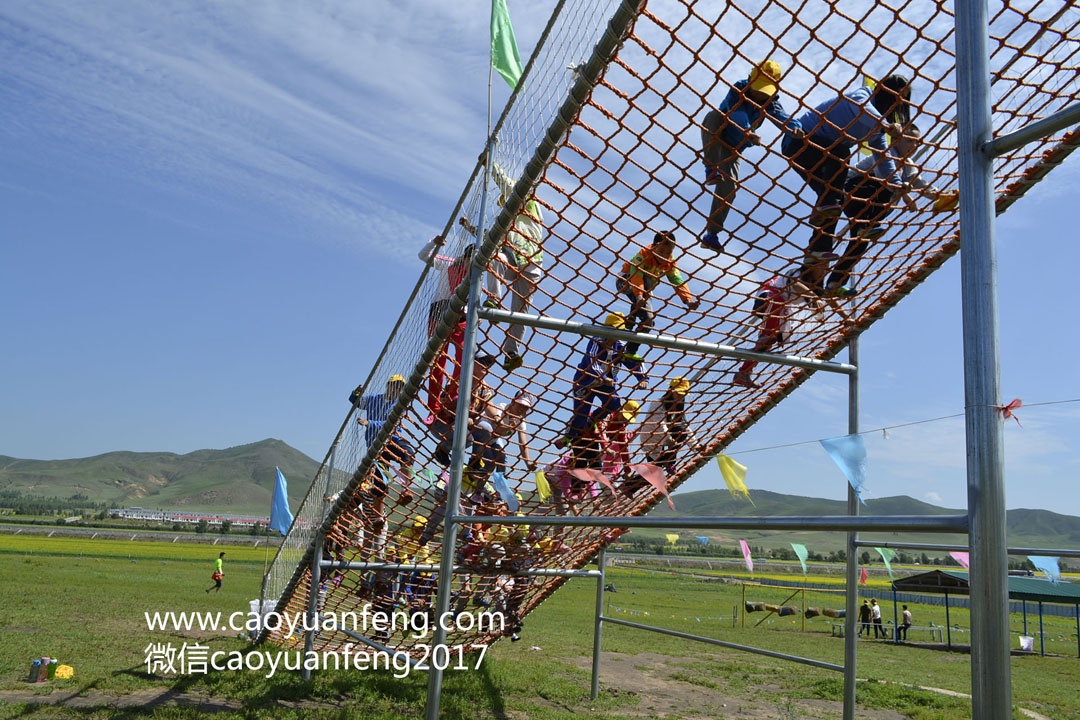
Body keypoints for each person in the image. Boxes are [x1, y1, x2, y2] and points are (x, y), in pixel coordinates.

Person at [781, 75, 912, 287]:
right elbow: (859, 108)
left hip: (817, 156)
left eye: (901, 102)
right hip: (799, 139)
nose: (897, 104)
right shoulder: (862, 96)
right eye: (895, 98)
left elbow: (883, 158)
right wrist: (885, 125)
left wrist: (897, 185)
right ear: (884, 92)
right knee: (841, 155)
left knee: (834, 199)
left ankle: (817, 251)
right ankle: (822, 237)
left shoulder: (876, 129)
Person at [825, 123, 948, 295]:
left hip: (870, 208)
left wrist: (941, 196)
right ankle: (863, 226)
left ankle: (833, 284)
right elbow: (885, 176)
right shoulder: (886, 153)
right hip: (852, 194)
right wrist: (906, 195)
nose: (913, 147)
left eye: (916, 143)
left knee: (859, 244)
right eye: (909, 141)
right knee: (884, 187)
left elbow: (919, 183)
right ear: (896, 140)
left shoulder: (908, 163)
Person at [699, 60, 804, 252]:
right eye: (757, 88)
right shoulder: (739, 89)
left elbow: (782, 117)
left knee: (729, 188)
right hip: (723, 129)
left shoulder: (769, 100)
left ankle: (711, 234)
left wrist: (794, 128)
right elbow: (737, 112)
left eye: (765, 91)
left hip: (735, 146)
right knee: (711, 117)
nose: (759, 94)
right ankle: (711, 168)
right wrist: (747, 131)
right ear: (749, 80)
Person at [463, 158, 545, 372]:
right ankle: (494, 299)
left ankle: (511, 351)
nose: (506, 206)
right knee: (494, 257)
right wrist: (471, 228)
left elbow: (508, 185)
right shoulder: (505, 224)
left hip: (531, 262)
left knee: (521, 311)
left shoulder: (529, 206)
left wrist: (491, 165)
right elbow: (489, 237)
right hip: (510, 258)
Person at [733, 253, 849, 388]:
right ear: (812, 267)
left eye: (827, 269)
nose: (824, 272)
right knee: (776, 306)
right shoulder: (797, 274)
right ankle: (764, 336)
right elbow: (795, 284)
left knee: (773, 339)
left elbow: (830, 301)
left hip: (782, 307)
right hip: (767, 296)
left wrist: (846, 317)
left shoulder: (816, 286)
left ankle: (744, 372)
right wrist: (813, 297)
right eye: (822, 268)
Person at [561, 313, 648, 445]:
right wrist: (602, 376)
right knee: (581, 414)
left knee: (614, 403)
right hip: (586, 382)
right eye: (612, 330)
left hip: (606, 384)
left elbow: (634, 361)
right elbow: (592, 360)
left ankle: (594, 419)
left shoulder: (621, 346)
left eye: (618, 331)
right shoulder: (596, 341)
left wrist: (643, 378)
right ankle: (569, 435)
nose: (615, 335)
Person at [617, 231, 700, 360]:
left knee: (649, 322)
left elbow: (677, 280)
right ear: (654, 247)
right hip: (626, 282)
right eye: (661, 251)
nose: (665, 256)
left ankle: (630, 351)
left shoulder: (670, 263)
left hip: (645, 290)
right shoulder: (643, 254)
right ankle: (632, 315)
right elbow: (637, 275)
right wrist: (639, 295)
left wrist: (688, 300)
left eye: (669, 252)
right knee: (647, 280)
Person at [417, 236, 473, 420]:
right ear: (465, 258)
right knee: (437, 360)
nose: (471, 267)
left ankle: (451, 398)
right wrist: (434, 242)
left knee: (463, 356)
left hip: (461, 314)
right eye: (470, 262)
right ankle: (433, 409)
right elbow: (423, 255)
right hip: (439, 310)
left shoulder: (476, 275)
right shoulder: (448, 263)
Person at [351, 375, 416, 502]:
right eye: (394, 385)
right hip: (375, 445)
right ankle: (379, 517)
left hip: (392, 440)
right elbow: (356, 402)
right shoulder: (373, 399)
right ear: (388, 386)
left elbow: (390, 424)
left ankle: (405, 490)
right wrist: (356, 393)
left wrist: (369, 423)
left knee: (408, 453)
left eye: (399, 387)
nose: (396, 389)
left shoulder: (398, 404)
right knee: (380, 481)